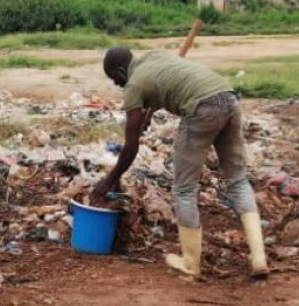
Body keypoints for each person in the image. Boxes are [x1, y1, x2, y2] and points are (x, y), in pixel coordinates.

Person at [91, 48, 267, 279]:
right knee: (238, 180)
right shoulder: (155, 56)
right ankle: (259, 258)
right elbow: (171, 82)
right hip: (227, 97)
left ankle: (191, 264)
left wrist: (110, 179)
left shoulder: (133, 86)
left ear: (122, 71)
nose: (118, 86)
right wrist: (150, 111)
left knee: (184, 189)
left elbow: (131, 146)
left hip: (201, 109)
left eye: (116, 80)